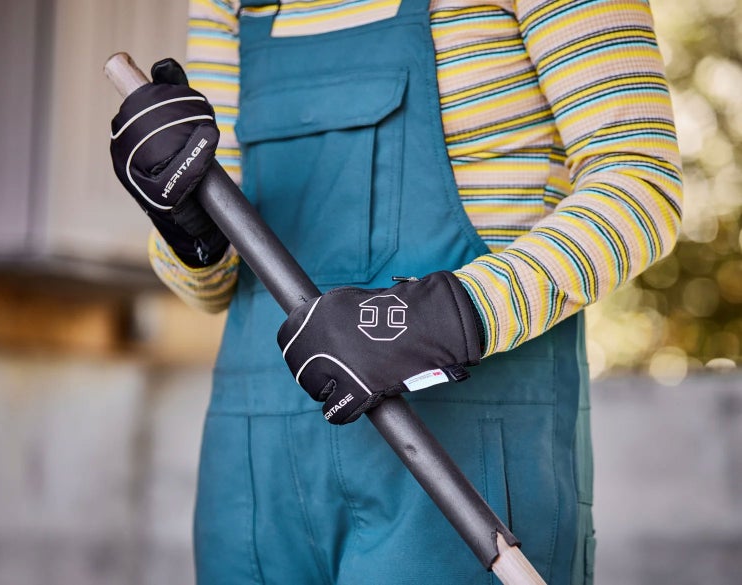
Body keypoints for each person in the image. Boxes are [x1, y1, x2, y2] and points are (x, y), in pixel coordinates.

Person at [109, 1, 683, 583]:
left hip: (459, 471)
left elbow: (639, 183)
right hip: (255, 480)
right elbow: (212, 285)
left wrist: (441, 317)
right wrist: (187, 229)